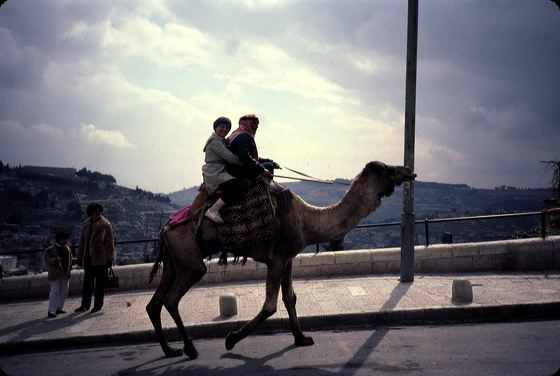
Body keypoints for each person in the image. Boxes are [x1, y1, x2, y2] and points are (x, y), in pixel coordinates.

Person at [75, 202, 115, 313]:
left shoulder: (105, 224)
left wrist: (110, 259)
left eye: (99, 211)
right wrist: (80, 256)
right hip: (88, 258)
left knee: (99, 284)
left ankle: (97, 305)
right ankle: (85, 305)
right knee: (87, 283)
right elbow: (82, 241)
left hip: (100, 258)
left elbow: (110, 242)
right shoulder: (86, 223)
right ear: (91, 213)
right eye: (95, 211)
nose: (98, 213)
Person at [202, 117, 245, 223]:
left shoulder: (222, 141)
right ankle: (213, 210)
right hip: (214, 172)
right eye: (221, 126)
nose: (224, 129)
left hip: (219, 170)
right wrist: (245, 161)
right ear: (215, 127)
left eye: (227, 128)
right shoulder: (215, 142)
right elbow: (230, 157)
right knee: (235, 186)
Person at [227, 114, 283, 190]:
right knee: (269, 166)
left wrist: (271, 161)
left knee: (269, 164)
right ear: (247, 123)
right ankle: (264, 191)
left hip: (236, 168)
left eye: (257, 124)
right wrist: (262, 169)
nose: (256, 127)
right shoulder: (243, 136)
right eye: (254, 124)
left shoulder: (238, 134)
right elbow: (246, 158)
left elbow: (251, 157)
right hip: (238, 171)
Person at [44, 231, 75, 318]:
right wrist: (54, 260)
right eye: (63, 239)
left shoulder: (67, 248)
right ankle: (51, 310)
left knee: (64, 292)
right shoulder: (50, 250)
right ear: (59, 239)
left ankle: (59, 308)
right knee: (55, 291)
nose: (65, 240)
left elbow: (70, 259)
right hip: (55, 274)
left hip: (65, 273)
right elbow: (47, 260)